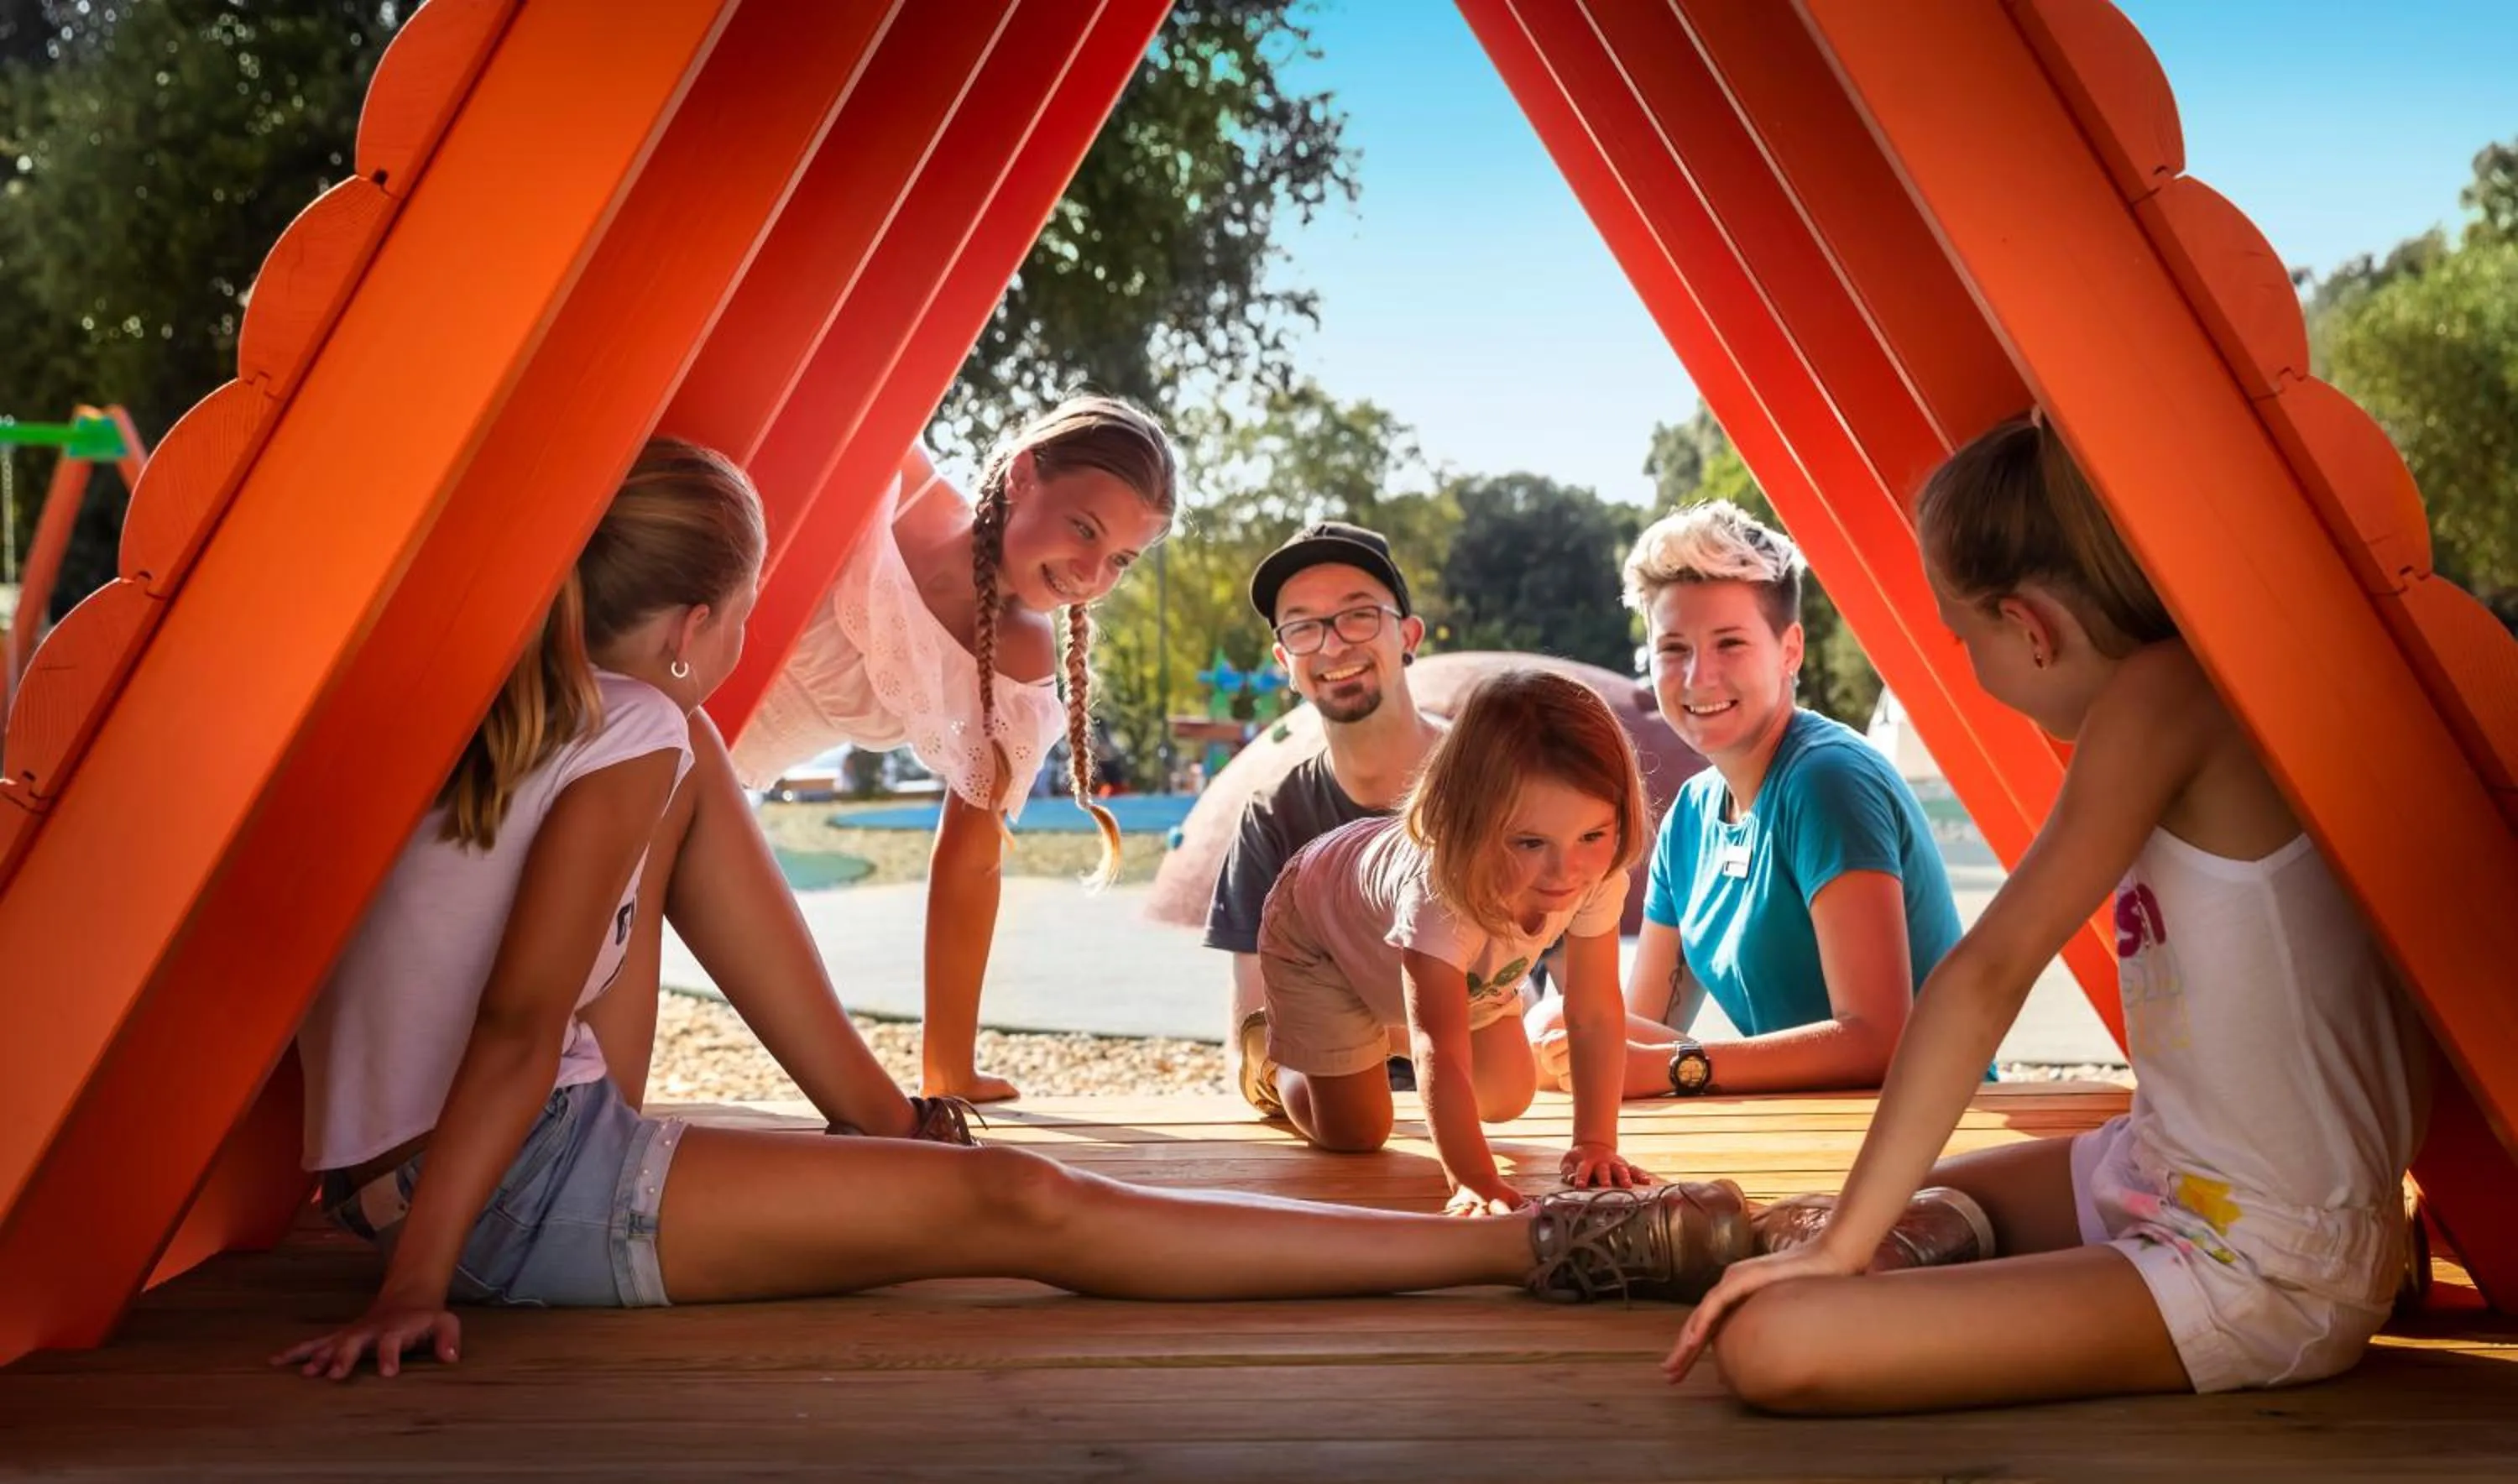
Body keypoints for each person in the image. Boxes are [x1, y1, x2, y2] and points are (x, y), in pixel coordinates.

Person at [274, 438, 1899, 1380]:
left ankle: (875, 1116)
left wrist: (884, 1118)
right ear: (697, 618)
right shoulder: (636, 727)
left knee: (969, 1173)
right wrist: (416, 1282)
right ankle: (1516, 1253)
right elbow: (510, 1026)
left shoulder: (525, 709)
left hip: (433, 1168)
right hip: (495, 1195)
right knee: (1030, 1211)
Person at [1662, 414, 2429, 1413]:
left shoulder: (2164, 699)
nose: (1969, 666)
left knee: (1775, 1341)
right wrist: (1853, 1228)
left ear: (2029, 626)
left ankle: (1894, 1280)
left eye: (1961, 633)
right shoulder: (2199, 692)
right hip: (2172, 1167)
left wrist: (1849, 1245)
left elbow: (1985, 978)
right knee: (1917, 1202)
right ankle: (1914, 1270)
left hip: (2261, 1259)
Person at [728, 396, 1176, 1104]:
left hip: (697, 780)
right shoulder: (895, 483)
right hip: (628, 692)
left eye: (1119, 559)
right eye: (1084, 530)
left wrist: (949, 1068)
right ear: (1024, 477)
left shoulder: (1018, 655)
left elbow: (971, 860)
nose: (1092, 574)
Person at [1528, 502, 1965, 1101]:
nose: (1698, 676)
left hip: (1922, 1125)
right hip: (1804, 1121)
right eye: (1674, 648)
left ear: (1790, 650)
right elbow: (1635, 1031)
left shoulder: (1827, 781)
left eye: (1729, 643)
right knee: (1553, 1030)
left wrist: (1676, 1069)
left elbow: (1881, 1043)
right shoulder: (1690, 815)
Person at [1251, 670, 1660, 1216]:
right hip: (1322, 939)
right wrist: (1473, 1178)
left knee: (1509, 1094)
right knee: (1357, 1131)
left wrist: (1595, 1142)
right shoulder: (1442, 895)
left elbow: (1595, 1013)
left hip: (1415, 964)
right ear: (1472, 822)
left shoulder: (1597, 874)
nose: (1567, 870)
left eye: (1592, 834)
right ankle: (1277, 1061)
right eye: (1530, 842)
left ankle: (1384, 1032)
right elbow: (1438, 1049)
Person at [1204, 521, 1447, 1113]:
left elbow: (1571, 1013)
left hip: (1500, 1111)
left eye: (1358, 614)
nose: (1334, 644)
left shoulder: (1499, 783)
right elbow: (1256, 1047)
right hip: (1331, 1115)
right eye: (1305, 627)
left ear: (1408, 634)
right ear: (1285, 660)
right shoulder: (1273, 817)